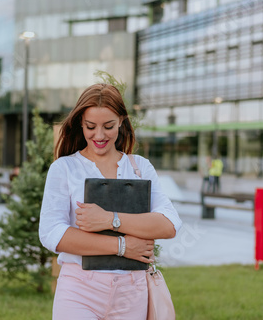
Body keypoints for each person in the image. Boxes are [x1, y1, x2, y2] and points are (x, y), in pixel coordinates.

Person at [39, 83, 182, 320]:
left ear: (122, 121)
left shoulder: (140, 168)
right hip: (79, 289)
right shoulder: (64, 168)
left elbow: (169, 224)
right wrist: (123, 247)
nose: (99, 135)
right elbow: (52, 233)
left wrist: (109, 219)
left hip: (132, 292)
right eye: (90, 127)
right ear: (80, 124)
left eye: (108, 126)